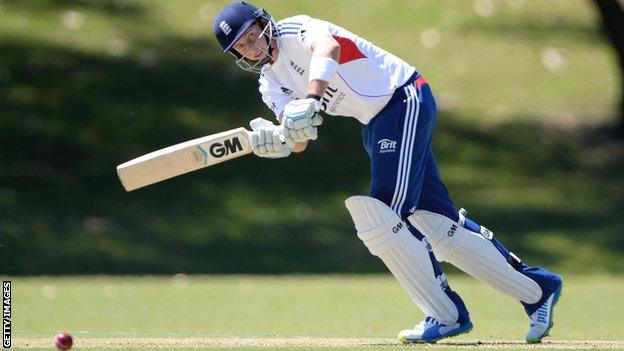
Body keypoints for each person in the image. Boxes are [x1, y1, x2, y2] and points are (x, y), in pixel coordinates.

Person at [213, 1, 562, 344]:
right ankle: (537, 290)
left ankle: (446, 316)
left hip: (403, 97)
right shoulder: (269, 84)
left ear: (263, 23)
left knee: (383, 217)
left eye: (251, 35)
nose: (251, 47)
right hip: (377, 122)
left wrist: (312, 98)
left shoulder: (296, 29)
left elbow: (328, 48)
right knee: (436, 222)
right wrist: (277, 138)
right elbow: (300, 138)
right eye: (241, 46)